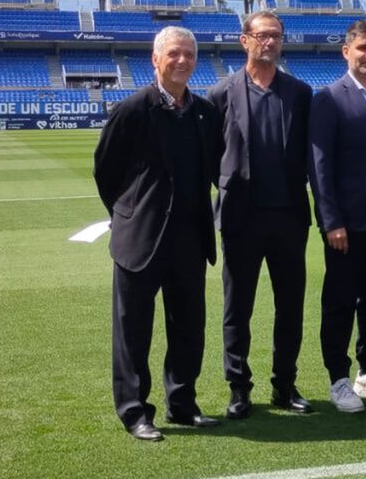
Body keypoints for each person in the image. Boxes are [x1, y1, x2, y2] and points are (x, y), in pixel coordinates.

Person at [93, 26, 222, 441]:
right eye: (173, 54)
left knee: (188, 327)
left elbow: (212, 168)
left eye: (188, 54)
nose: (182, 61)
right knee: (133, 331)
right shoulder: (133, 109)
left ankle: (182, 404)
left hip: (188, 238)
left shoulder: (204, 113)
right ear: (156, 60)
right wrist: (127, 213)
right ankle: (134, 412)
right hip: (140, 240)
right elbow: (105, 171)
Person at [207, 11, 313, 419]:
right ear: (244, 40)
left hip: (288, 216)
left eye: (276, 35)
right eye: (262, 35)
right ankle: (239, 388)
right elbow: (208, 157)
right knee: (238, 308)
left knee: (290, 306)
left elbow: (311, 155)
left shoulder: (300, 93)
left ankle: (284, 385)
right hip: (240, 217)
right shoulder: (221, 94)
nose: (269, 41)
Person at [308, 19, 366, 413]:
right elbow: (319, 165)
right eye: (362, 48)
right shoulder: (328, 98)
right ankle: (338, 377)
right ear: (346, 51)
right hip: (345, 225)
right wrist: (331, 220)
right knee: (341, 301)